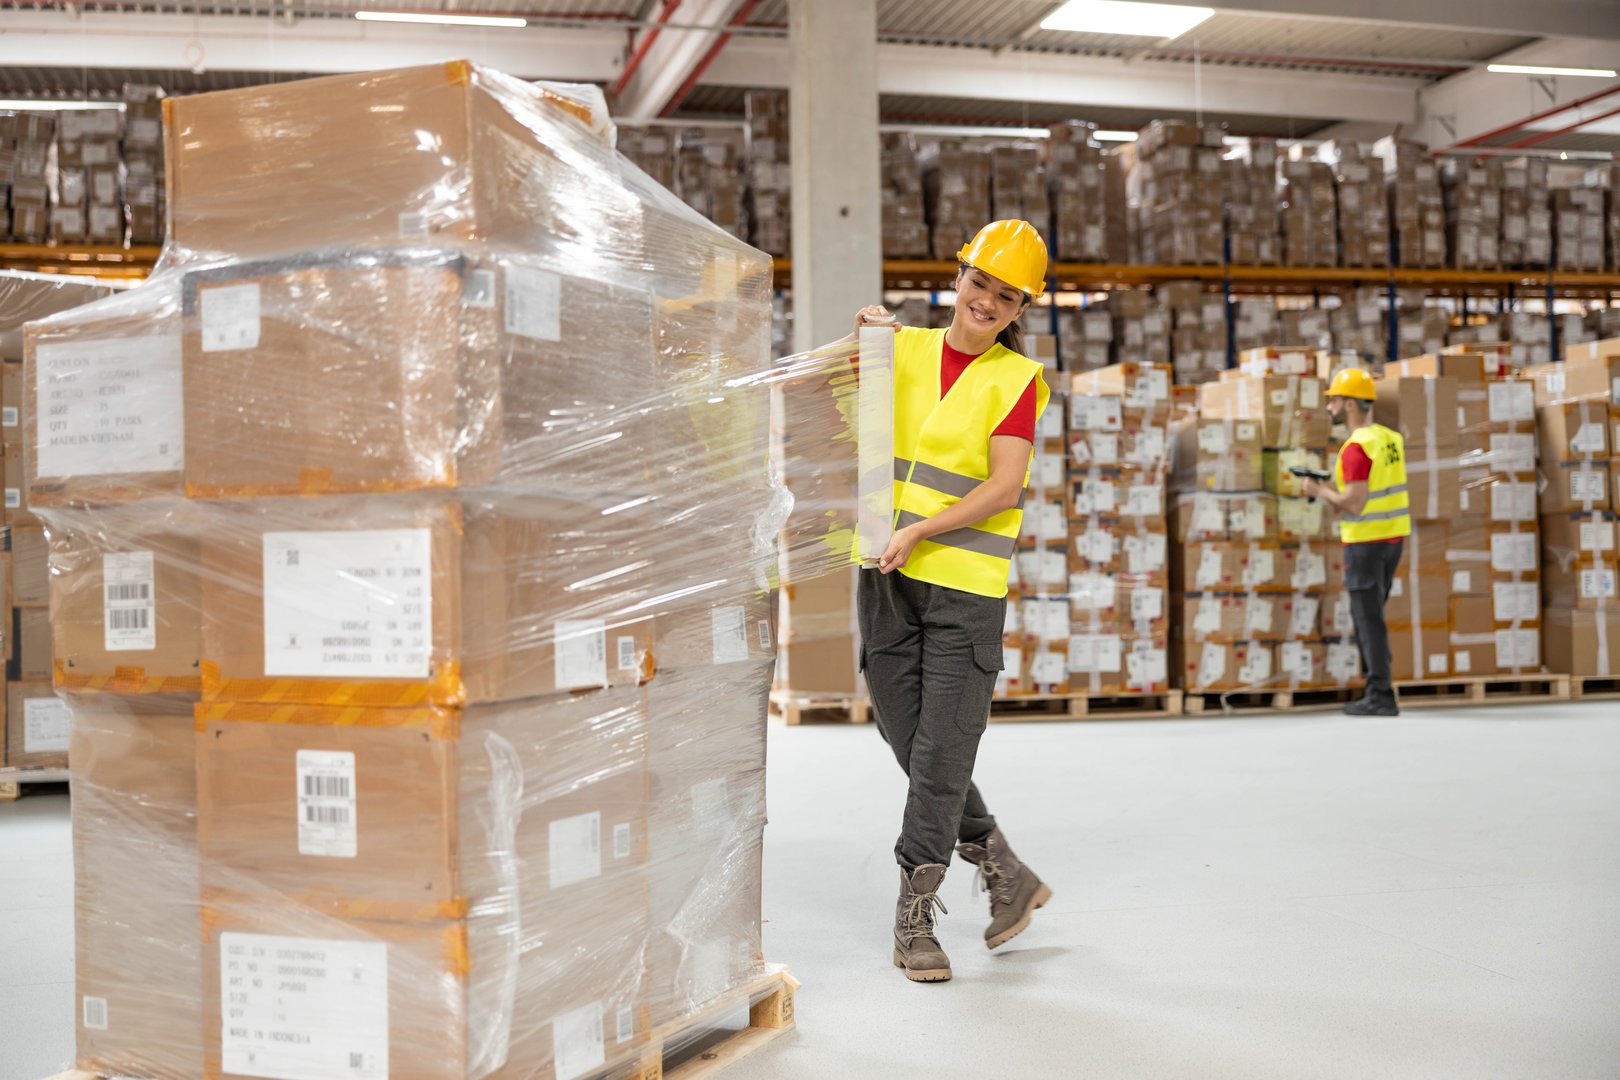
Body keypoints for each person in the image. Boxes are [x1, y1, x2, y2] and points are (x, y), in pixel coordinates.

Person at [850, 220, 1054, 984]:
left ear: (1020, 309)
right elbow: (834, 414)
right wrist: (861, 337)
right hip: (883, 572)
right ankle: (1001, 863)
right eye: (980, 283)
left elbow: (1005, 484)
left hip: (964, 587)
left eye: (1006, 297)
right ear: (958, 276)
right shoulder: (896, 351)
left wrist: (925, 529)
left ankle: (915, 909)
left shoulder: (1017, 382)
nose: (987, 302)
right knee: (904, 731)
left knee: (940, 750)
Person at [1300, 367, 1410, 717]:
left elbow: (1355, 502)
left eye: (1333, 399)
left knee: (1367, 619)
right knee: (1373, 615)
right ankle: (1376, 689)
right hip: (1392, 538)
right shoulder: (1389, 439)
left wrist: (1319, 491)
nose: (1329, 406)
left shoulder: (1356, 448)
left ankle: (1380, 694)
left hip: (1365, 542)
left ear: (1350, 404)